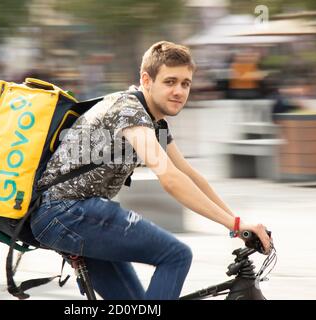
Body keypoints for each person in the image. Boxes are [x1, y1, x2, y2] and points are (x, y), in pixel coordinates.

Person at [31, 41, 272, 300]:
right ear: (147, 80)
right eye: (170, 82)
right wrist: (234, 224)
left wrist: (238, 225)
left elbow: (188, 174)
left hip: (71, 218)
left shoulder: (155, 123)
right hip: (66, 213)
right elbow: (169, 178)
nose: (179, 91)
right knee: (176, 256)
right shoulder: (130, 111)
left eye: (185, 83)